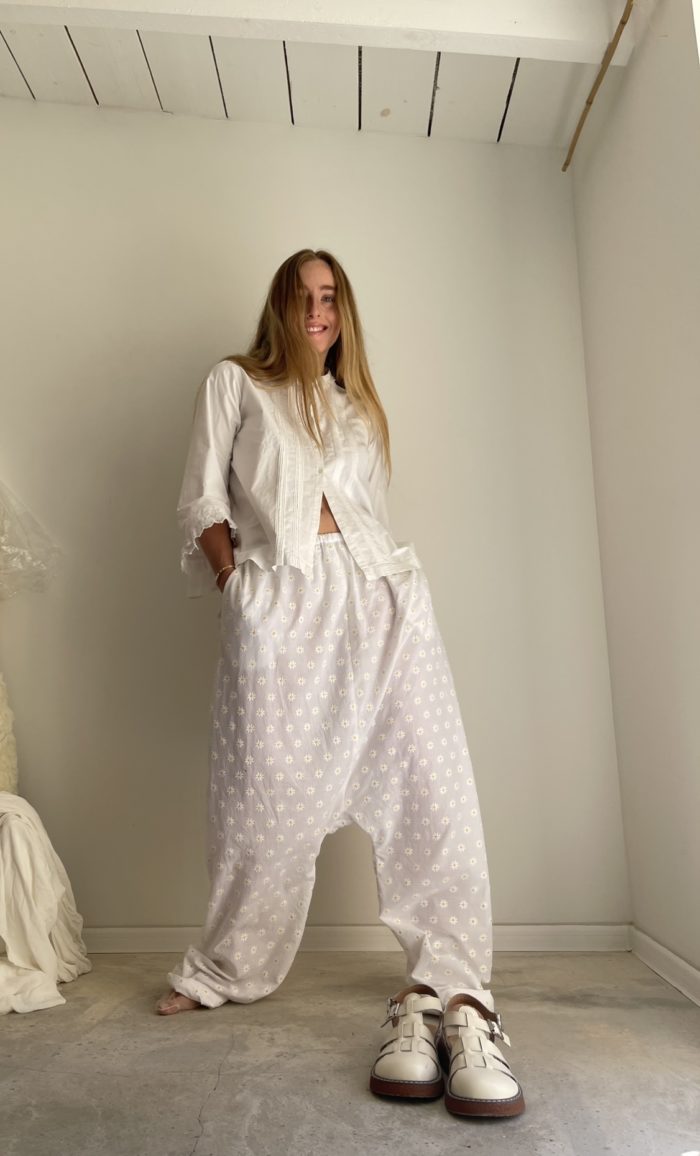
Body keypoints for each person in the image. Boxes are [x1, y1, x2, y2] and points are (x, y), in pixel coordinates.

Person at [156, 249, 525, 1119]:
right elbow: (201, 498)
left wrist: (391, 590)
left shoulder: (356, 406)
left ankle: (453, 987)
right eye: (303, 296)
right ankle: (226, 968)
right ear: (279, 307)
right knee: (264, 803)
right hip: (281, 602)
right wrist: (237, 587)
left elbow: (367, 514)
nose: (317, 311)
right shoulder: (235, 384)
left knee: (430, 788)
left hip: (382, 600)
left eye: (329, 297)